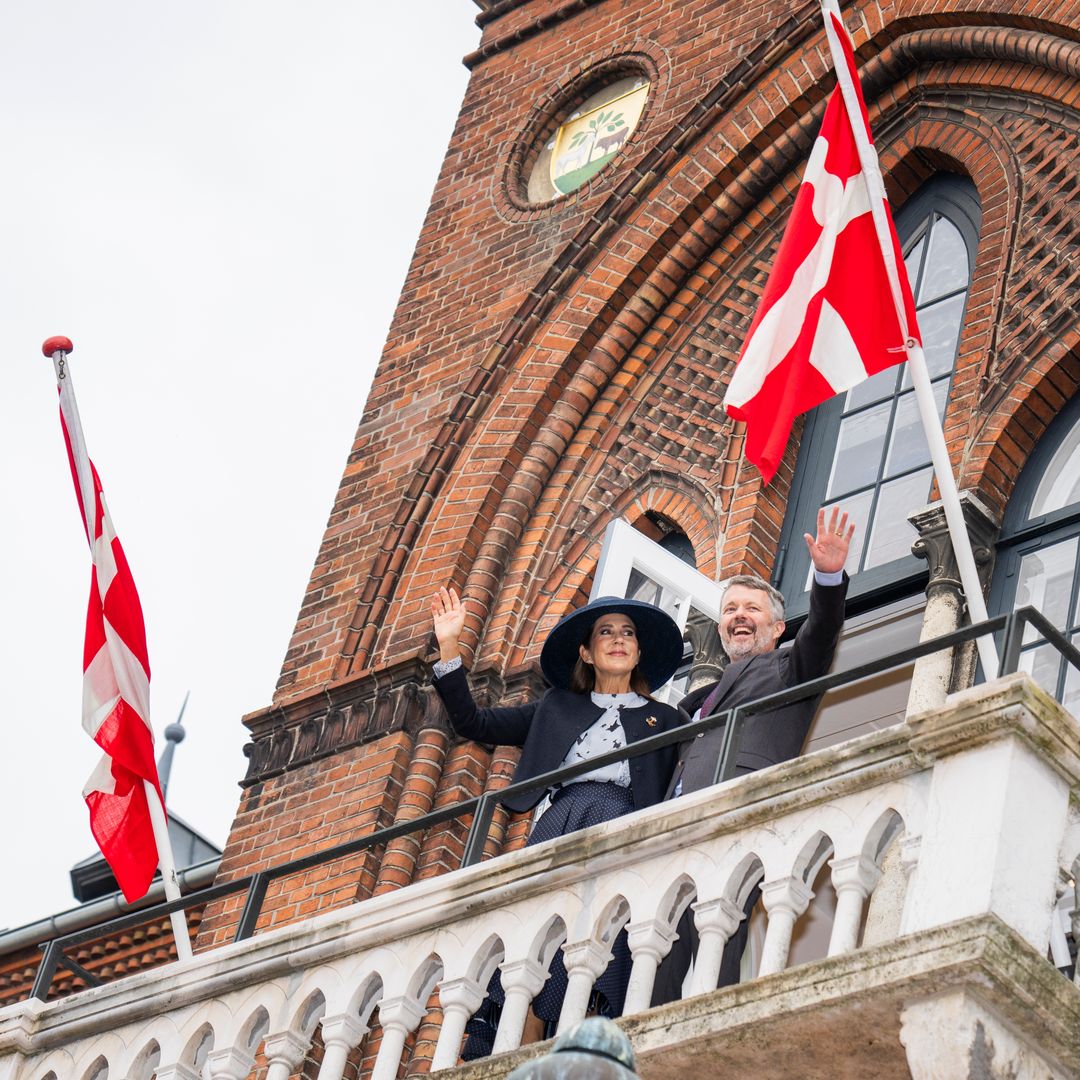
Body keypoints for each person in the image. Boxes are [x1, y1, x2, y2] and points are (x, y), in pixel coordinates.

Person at [430, 587, 686, 1057]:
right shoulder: (556, 707)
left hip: (623, 825)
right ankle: (517, 1055)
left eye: (628, 633)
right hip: (560, 822)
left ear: (639, 651)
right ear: (586, 652)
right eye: (605, 632)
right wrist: (450, 647)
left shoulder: (666, 718)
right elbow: (474, 723)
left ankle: (584, 1055)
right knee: (540, 939)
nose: (618, 639)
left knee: (603, 940)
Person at [651, 505, 854, 1005]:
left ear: (778, 627)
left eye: (752, 609)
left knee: (720, 930)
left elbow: (822, 631)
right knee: (660, 948)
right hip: (674, 828)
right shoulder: (697, 699)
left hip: (738, 816)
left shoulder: (790, 668)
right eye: (730, 609)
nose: (738, 616)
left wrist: (828, 577)